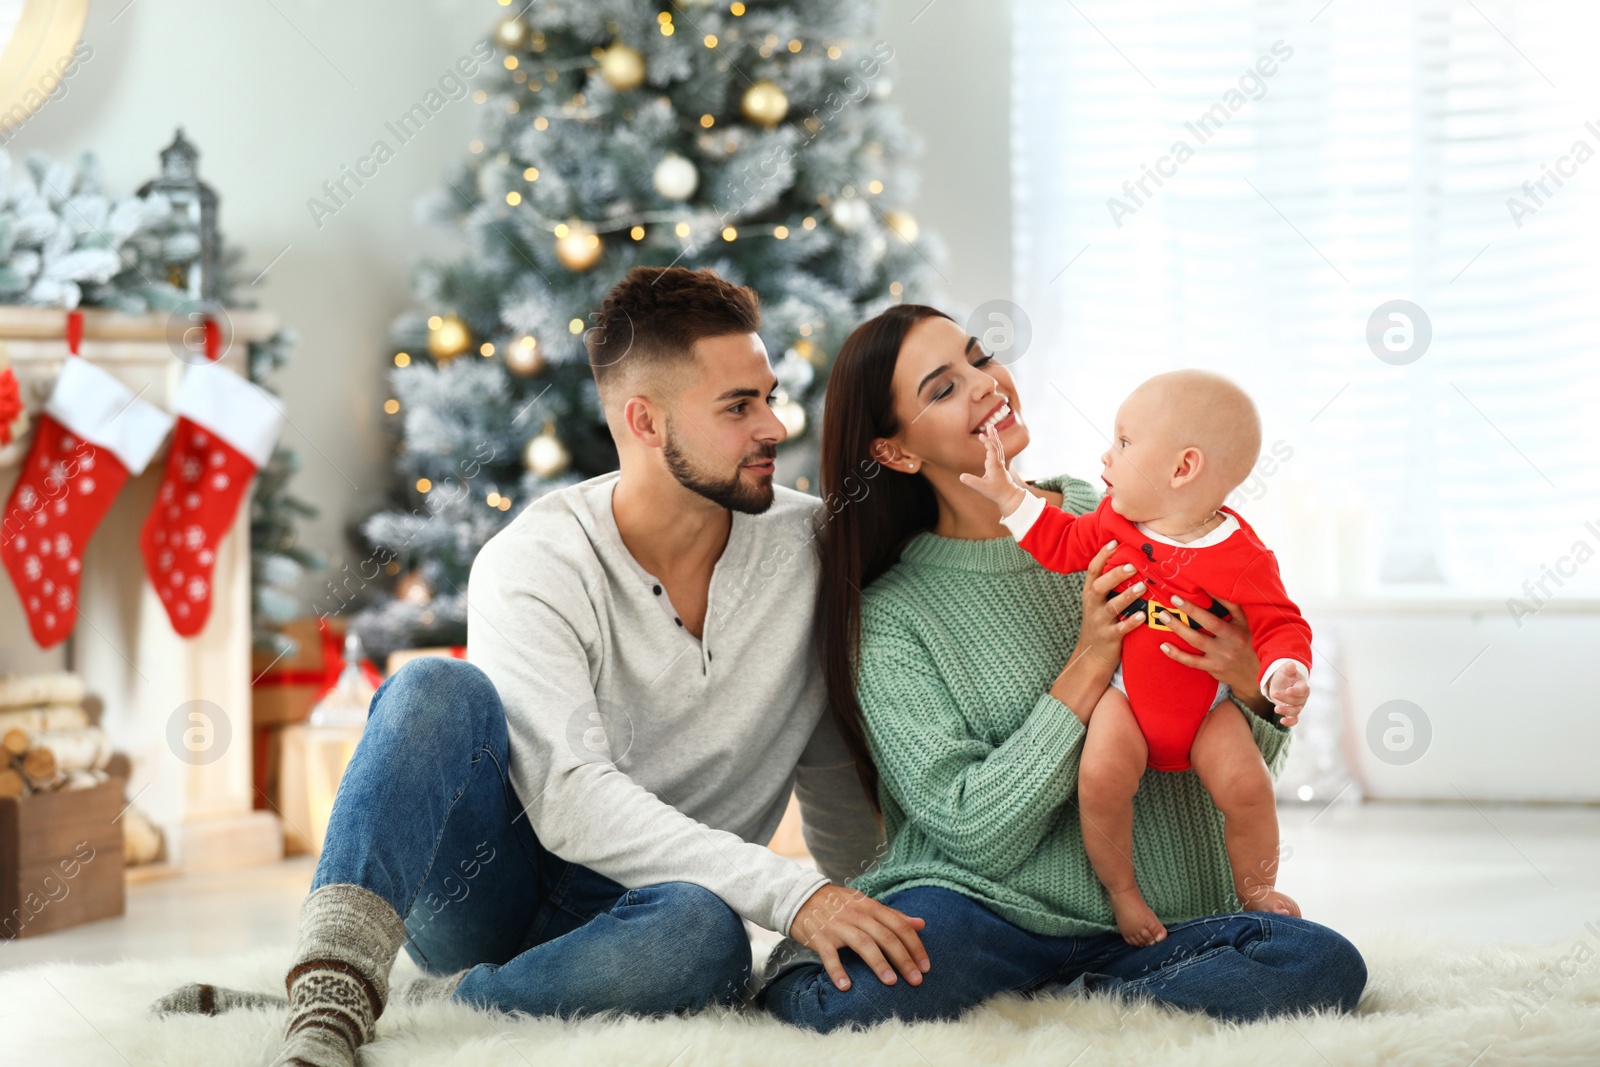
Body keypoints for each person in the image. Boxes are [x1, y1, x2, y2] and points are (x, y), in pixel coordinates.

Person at [150, 267, 929, 1067]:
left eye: (769, 395)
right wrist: (794, 893)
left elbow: (835, 770)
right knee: (431, 686)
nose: (774, 425)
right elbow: (569, 798)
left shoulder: (813, 553)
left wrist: (874, 905)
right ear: (646, 422)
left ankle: (434, 1004)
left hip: (658, 913)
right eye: (739, 405)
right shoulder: (535, 558)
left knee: (708, 936)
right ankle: (328, 1002)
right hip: (489, 893)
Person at [758, 304, 1366, 1032]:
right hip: (988, 911)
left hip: (1160, 915)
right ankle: (1082, 995)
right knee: (863, 990)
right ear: (896, 452)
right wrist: (1088, 661)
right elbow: (970, 829)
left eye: (980, 358)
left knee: (1321, 965)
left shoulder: (1122, 516)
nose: (985, 384)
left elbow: (1237, 755)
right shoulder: (893, 614)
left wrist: (1246, 682)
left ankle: (1072, 997)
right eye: (943, 389)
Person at [960, 370, 1311, 945]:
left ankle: (1256, 892)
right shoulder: (1112, 524)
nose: (1107, 453)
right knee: (1099, 780)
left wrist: (1282, 671)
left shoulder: (1242, 554)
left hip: (1209, 707)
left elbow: (1280, 623)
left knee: (1250, 790)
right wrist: (1008, 497)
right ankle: (1124, 893)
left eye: (1124, 442)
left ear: (1182, 469)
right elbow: (1060, 541)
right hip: (1125, 696)